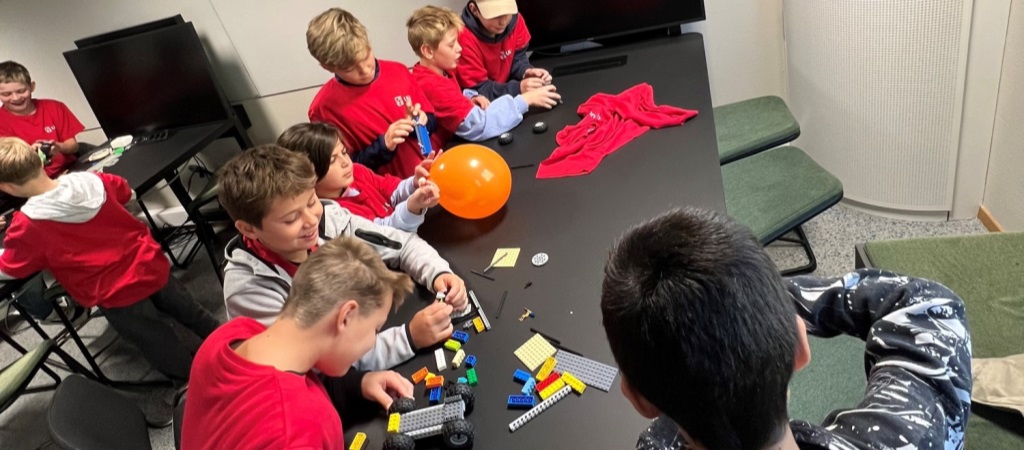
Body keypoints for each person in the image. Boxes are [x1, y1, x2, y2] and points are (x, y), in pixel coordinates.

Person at [601, 208, 972, 450]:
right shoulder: (914, 434)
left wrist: (706, 328)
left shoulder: (656, 444)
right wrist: (756, 308)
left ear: (638, 399)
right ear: (799, 345)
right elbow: (927, 305)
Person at [218, 145, 467, 371]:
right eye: (291, 219)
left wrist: (438, 273)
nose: (311, 220)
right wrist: (408, 338)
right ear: (249, 229)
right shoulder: (249, 289)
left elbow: (402, 245)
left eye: (312, 201)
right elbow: (314, 364)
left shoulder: (328, 219)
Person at [0, 137, 220, 381]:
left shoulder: (27, 225)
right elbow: (126, 192)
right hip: (148, 262)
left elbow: (9, 268)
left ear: (7, 187)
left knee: (156, 339)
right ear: (39, 162)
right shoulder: (91, 180)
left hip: (115, 291)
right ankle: (229, 340)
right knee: (188, 309)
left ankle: (192, 382)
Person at [181, 237, 415, 450]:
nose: (373, 342)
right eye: (375, 329)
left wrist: (357, 385)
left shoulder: (231, 335)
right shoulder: (297, 431)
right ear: (346, 317)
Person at [307, 8, 437, 178]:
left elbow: (430, 129)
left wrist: (420, 124)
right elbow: (344, 171)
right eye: (349, 68)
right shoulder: (324, 108)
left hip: (434, 172)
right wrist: (383, 146)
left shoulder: (398, 71)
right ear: (327, 67)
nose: (365, 70)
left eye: (366, 56)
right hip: (391, 190)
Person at [407, 5, 560, 145]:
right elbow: (479, 125)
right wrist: (526, 100)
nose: (459, 48)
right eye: (452, 44)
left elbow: (452, 98)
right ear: (428, 51)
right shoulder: (432, 85)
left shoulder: (441, 71)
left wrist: (470, 98)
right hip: (437, 154)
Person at [277, 122, 439, 232]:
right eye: (332, 160)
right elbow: (385, 234)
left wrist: (414, 183)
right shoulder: (332, 214)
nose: (345, 162)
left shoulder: (357, 171)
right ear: (307, 173)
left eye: (344, 152)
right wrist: (412, 206)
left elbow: (391, 190)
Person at [455, 0, 554, 101]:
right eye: (495, 16)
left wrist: (526, 71)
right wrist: (518, 88)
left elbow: (517, 58)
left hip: (508, 93)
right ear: (474, 10)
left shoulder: (516, 21)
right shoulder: (461, 38)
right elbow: (479, 89)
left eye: (507, 12)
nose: (503, 22)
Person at [0, 61, 84, 178]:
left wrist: (58, 147)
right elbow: (7, 167)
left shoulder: (54, 107)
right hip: (31, 180)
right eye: (6, 94)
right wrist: (30, 154)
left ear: (32, 86)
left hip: (70, 171)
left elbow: (73, 146)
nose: (15, 98)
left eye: (21, 91)